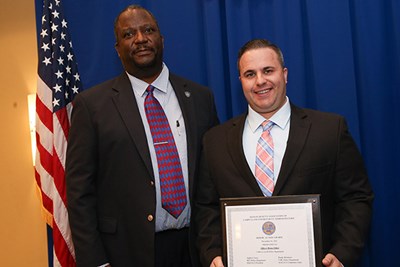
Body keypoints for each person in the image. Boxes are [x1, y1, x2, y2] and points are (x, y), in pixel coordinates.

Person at [194, 39, 373, 267]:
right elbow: (206, 208)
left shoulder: (329, 130)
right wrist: (212, 254)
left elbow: (356, 198)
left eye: (268, 70)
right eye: (250, 74)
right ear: (240, 81)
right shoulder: (215, 141)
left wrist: (342, 253)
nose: (260, 81)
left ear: (285, 74)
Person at [66, 5, 219, 267]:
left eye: (148, 30)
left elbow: (216, 175)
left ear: (161, 39)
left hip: (196, 249)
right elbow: (79, 192)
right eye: (129, 34)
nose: (140, 39)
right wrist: (96, 262)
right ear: (117, 48)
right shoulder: (92, 106)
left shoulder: (199, 97)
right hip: (126, 253)